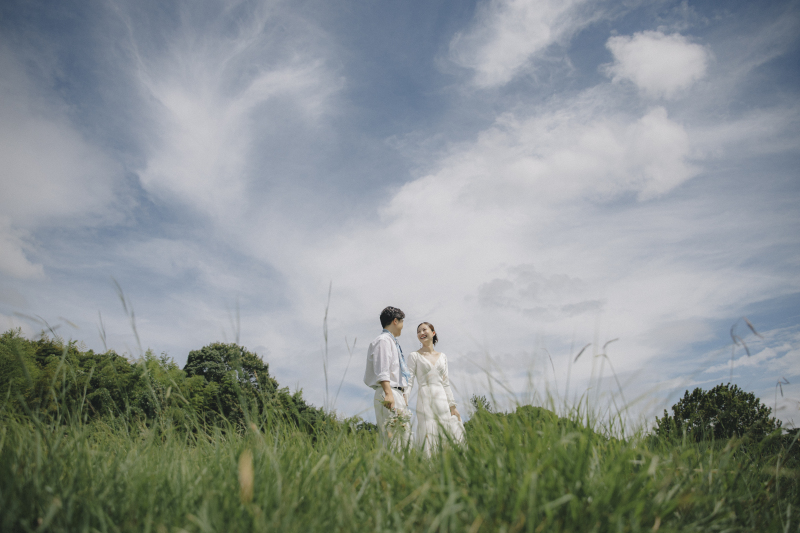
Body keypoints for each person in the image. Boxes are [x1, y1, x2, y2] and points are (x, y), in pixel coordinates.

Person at [406, 322, 464, 454]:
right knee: (428, 431)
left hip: (442, 399)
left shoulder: (443, 357)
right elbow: (409, 381)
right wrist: (404, 401)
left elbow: (446, 383)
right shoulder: (414, 356)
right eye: (418, 331)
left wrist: (453, 406)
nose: (421, 333)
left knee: (445, 431)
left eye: (424, 330)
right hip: (425, 398)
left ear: (433, 333)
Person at [363, 306, 412, 447]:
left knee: (403, 438)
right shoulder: (383, 340)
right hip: (388, 392)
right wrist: (389, 393)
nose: (403, 326)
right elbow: (382, 369)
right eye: (402, 322)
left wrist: (401, 393)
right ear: (395, 321)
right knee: (393, 439)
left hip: (394, 392)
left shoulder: (391, 341)